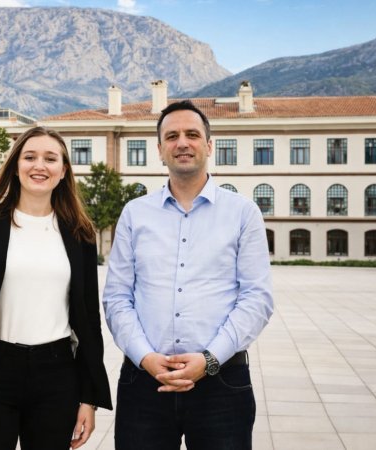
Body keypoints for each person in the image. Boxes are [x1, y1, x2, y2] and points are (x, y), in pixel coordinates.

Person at [103, 100, 274, 450]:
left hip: (222, 383)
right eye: (172, 136)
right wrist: (146, 358)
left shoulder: (243, 213)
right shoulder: (135, 214)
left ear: (209, 146)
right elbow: (117, 297)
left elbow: (257, 298)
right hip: (144, 381)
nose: (183, 142)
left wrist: (209, 360)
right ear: (160, 150)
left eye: (192, 134)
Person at [0, 126, 112, 450]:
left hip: (57, 375)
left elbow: (89, 320)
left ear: (63, 170)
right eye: (29, 157)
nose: (39, 166)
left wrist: (89, 398)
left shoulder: (80, 234)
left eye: (50, 158)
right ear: (15, 166)